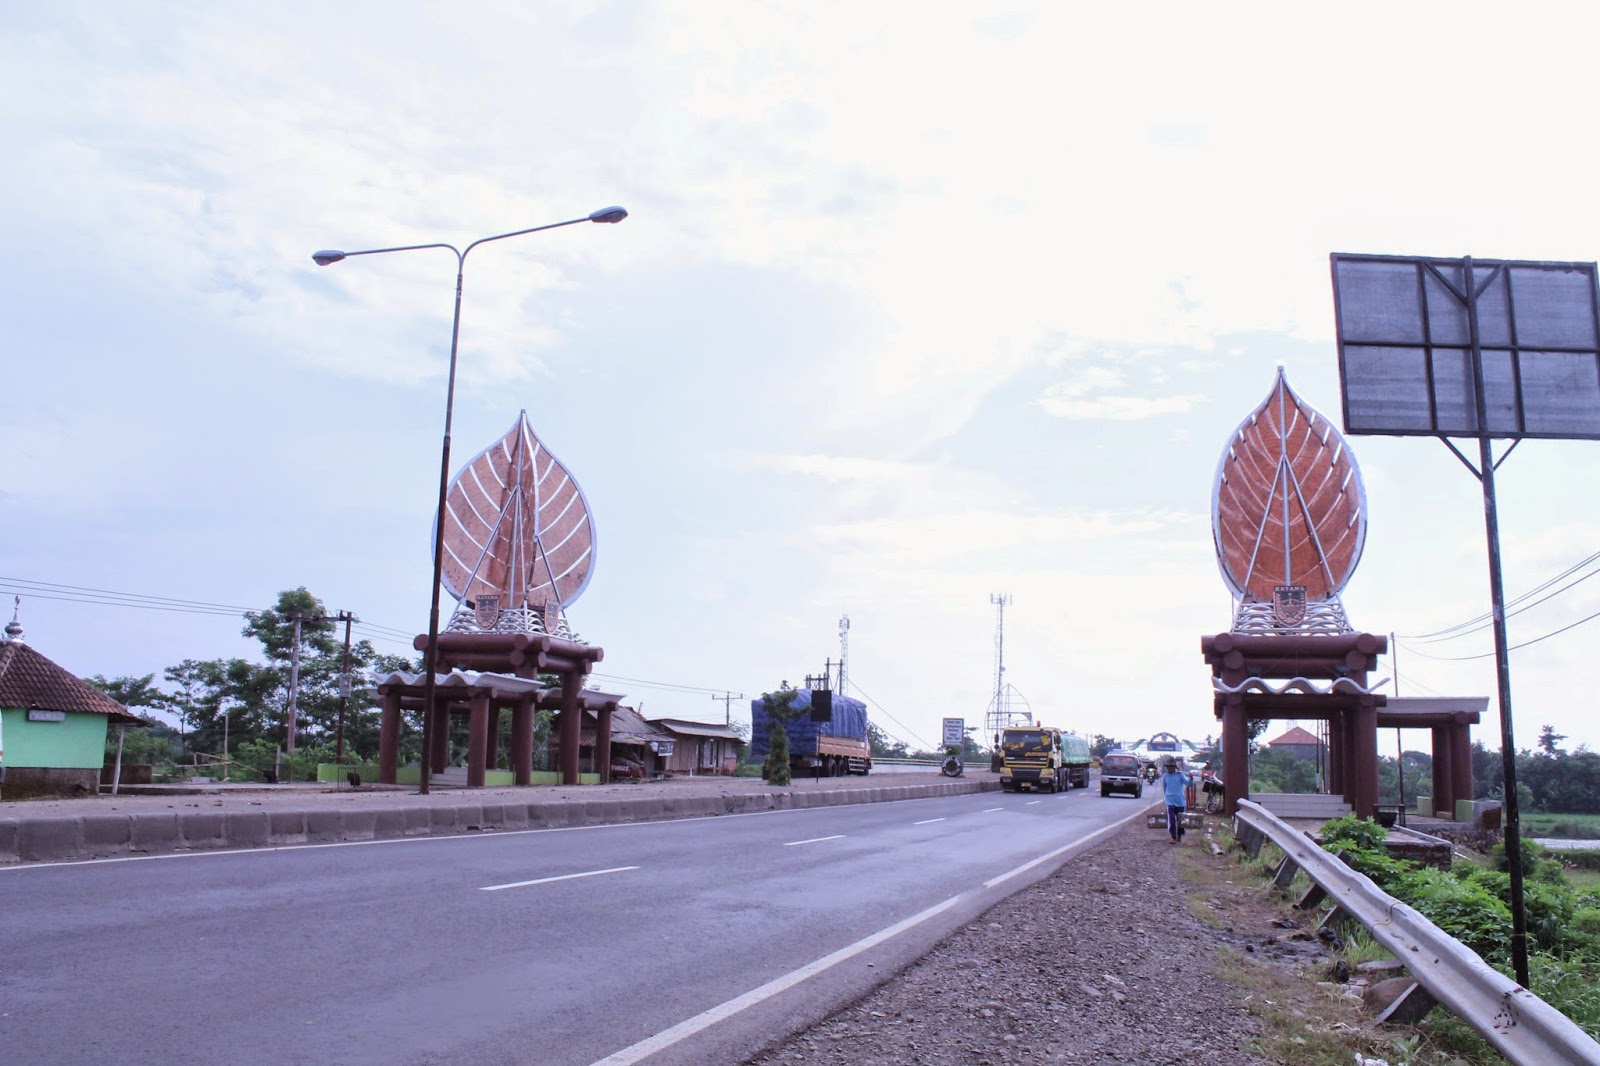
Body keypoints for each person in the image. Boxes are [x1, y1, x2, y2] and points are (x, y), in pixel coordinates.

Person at [1160, 756, 1188, 844]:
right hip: (1170, 801)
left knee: (1180, 820)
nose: (1169, 768)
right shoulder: (1165, 776)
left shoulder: (1180, 775)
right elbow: (1164, 788)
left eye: (1171, 767)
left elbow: (1188, 783)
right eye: (1168, 767)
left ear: (1174, 767)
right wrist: (1166, 796)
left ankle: (1179, 836)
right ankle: (1173, 836)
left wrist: (1191, 779)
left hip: (1180, 801)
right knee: (1171, 818)